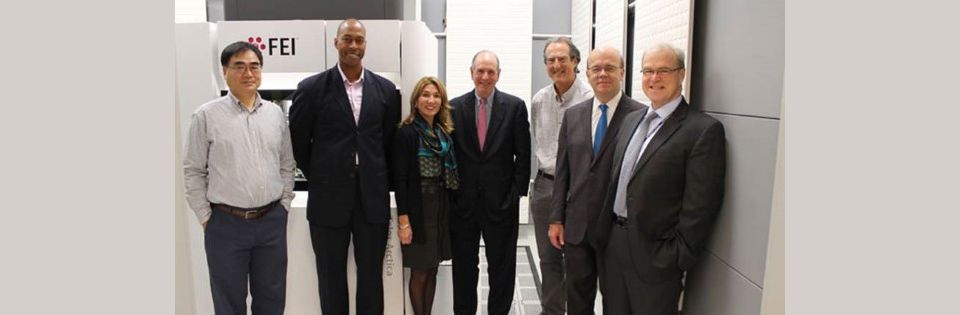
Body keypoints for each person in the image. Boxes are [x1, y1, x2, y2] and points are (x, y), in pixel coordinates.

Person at [599, 43, 726, 315]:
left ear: (681, 74)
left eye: (663, 71)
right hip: (614, 248)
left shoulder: (702, 131)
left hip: (656, 258)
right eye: (648, 71)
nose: (654, 78)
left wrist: (674, 258)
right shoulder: (630, 121)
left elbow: (700, 207)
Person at [288, 18, 401, 315]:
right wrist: (323, 176)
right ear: (335, 42)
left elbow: (388, 144)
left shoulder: (387, 91)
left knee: (371, 279)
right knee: (330, 278)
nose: (353, 45)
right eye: (347, 39)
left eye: (359, 40)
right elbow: (298, 143)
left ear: (365, 45)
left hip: (372, 200)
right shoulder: (311, 88)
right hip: (327, 200)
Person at [183, 41, 296, 315]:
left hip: (271, 222)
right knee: (229, 303)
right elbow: (193, 170)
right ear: (224, 71)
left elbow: (287, 164)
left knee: (271, 300)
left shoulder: (275, 115)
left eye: (254, 66)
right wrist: (206, 217)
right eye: (239, 66)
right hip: (225, 225)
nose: (248, 73)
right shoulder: (206, 116)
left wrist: (283, 206)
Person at [547, 45, 643, 315]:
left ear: (622, 72)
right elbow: (562, 171)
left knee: (617, 301)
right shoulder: (574, 115)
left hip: (617, 229)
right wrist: (556, 218)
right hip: (577, 228)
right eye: (596, 68)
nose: (603, 74)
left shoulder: (639, 116)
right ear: (586, 73)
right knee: (577, 299)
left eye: (610, 68)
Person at [449, 50, 531, 315]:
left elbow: (524, 155)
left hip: (501, 204)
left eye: (490, 71)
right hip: (463, 205)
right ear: (471, 72)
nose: (485, 76)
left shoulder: (515, 107)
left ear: (498, 75)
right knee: (463, 269)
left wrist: (515, 195)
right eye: (480, 71)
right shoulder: (453, 107)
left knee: (502, 269)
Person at [529, 37, 594, 315]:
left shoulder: (591, 99)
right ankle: (551, 311)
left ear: (576, 62)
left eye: (562, 59)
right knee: (549, 259)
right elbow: (538, 142)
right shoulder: (539, 100)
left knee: (579, 259)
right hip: (545, 186)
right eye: (550, 60)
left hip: (579, 189)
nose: (557, 65)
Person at [392, 76, 459, 315]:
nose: (431, 100)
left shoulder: (444, 134)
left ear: (442, 101)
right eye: (425, 95)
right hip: (419, 210)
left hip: (440, 208)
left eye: (436, 95)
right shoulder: (406, 133)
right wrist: (404, 221)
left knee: (432, 269)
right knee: (419, 272)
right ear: (416, 100)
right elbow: (400, 180)